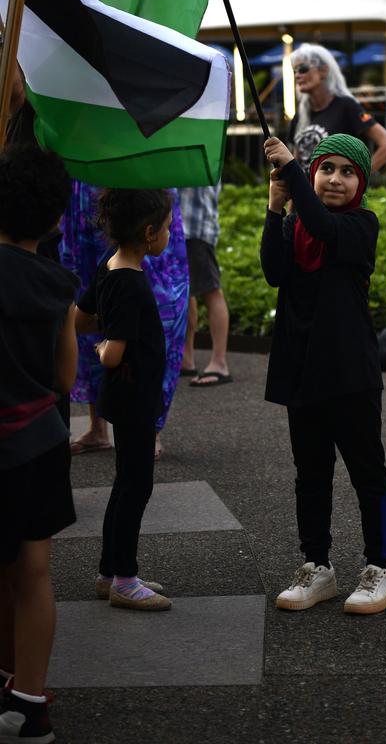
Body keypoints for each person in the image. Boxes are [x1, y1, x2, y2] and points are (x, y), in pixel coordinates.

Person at [261, 132, 386, 615]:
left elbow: (323, 226)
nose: (334, 179)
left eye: (347, 172)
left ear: (361, 182)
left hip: (350, 372)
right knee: (310, 475)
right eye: (325, 169)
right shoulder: (297, 223)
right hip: (302, 370)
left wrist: (292, 170)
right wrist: (275, 209)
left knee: (368, 472)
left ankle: (381, 567)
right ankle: (316, 566)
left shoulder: (361, 225)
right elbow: (274, 271)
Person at [0, 144, 78, 743]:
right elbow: (65, 380)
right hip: (38, 441)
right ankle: (29, 701)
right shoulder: (58, 286)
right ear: (56, 218)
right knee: (34, 572)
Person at [75, 189, 173, 612]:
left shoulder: (109, 267)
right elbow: (113, 351)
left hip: (123, 396)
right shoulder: (131, 283)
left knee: (124, 484)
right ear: (149, 233)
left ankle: (108, 571)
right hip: (135, 398)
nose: (169, 234)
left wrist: (103, 325)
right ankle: (125, 580)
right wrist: (102, 348)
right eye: (167, 228)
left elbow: (79, 317)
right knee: (136, 486)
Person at [61, 181, 189, 460]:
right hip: (108, 193)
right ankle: (115, 427)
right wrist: (110, 339)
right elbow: (106, 350)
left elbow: (81, 318)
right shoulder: (125, 278)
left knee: (146, 306)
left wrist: (112, 328)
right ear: (151, 234)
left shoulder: (114, 270)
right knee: (134, 480)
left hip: (136, 188)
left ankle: (142, 429)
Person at [288, 43, 386, 175]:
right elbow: (295, 159)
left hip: (335, 193)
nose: (297, 75)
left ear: (324, 70)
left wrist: (358, 179)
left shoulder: (346, 106)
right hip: (306, 193)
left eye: (303, 69)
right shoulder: (301, 112)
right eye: (294, 71)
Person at [179, 184, 232, 387]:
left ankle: (219, 362)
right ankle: (186, 358)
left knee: (211, 291)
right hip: (185, 225)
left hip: (195, 226)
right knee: (186, 290)